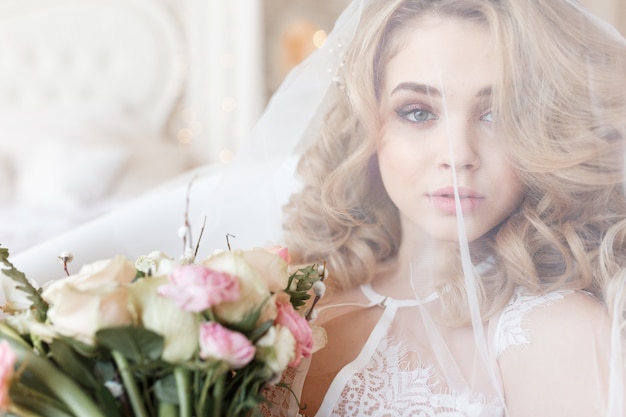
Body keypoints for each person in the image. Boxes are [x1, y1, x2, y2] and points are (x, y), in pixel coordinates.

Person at [5, 0, 626, 416]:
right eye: (418, 112)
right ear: (369, 127)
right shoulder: (269, 298)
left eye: (497, 114)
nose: (457, 153)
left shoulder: (557, 331)